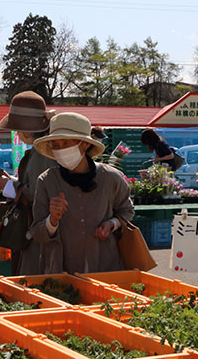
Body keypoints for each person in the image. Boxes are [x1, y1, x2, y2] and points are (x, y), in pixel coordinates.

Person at [30, 112, 134, 274]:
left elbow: (127, 211)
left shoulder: (111, 178)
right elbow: (37, 233)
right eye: (55, 145)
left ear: (85, 144)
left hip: (105, 267)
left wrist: (112, 224)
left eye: (66, 143)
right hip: (62, 271)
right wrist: (53, 219)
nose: (60, 150)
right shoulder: (47, 180)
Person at [0, 91, 58, 275]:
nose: (17, 133)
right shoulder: (40, 149)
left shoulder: (42, 151)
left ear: (27, 128)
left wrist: (8, 186)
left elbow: (37, 192)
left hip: (37, 231)